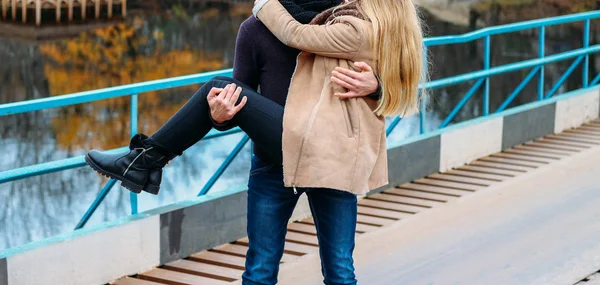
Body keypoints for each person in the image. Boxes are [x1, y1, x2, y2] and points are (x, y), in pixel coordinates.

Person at [85, 0, 425, 283]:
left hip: (328, 162)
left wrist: (377, 85)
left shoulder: (351, 23)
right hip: (273, 159)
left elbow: (399, 82)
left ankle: (143, 161)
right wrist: (219, 115)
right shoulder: (255, 30)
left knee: (339, 269)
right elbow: (237, 101)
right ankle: (144, 160)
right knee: (260, 270)